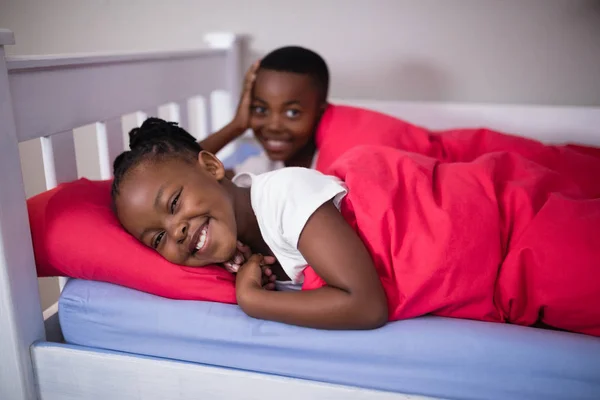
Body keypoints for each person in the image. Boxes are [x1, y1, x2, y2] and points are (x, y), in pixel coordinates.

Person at [112, 118, 600, 335]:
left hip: (499, 230)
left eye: (174, 203)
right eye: (157, 237)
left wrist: (256, 301)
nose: (175, 231)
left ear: (214, 168)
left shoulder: (281, 195)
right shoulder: (244, 246)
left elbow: (366, 305)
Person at [199, 46, 329, 177]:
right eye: (261, 109)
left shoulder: (337, 162)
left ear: (320, 112)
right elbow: (184, 169)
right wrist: (236, 125)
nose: (274, 126)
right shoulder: (263, 168)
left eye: (292, 113)